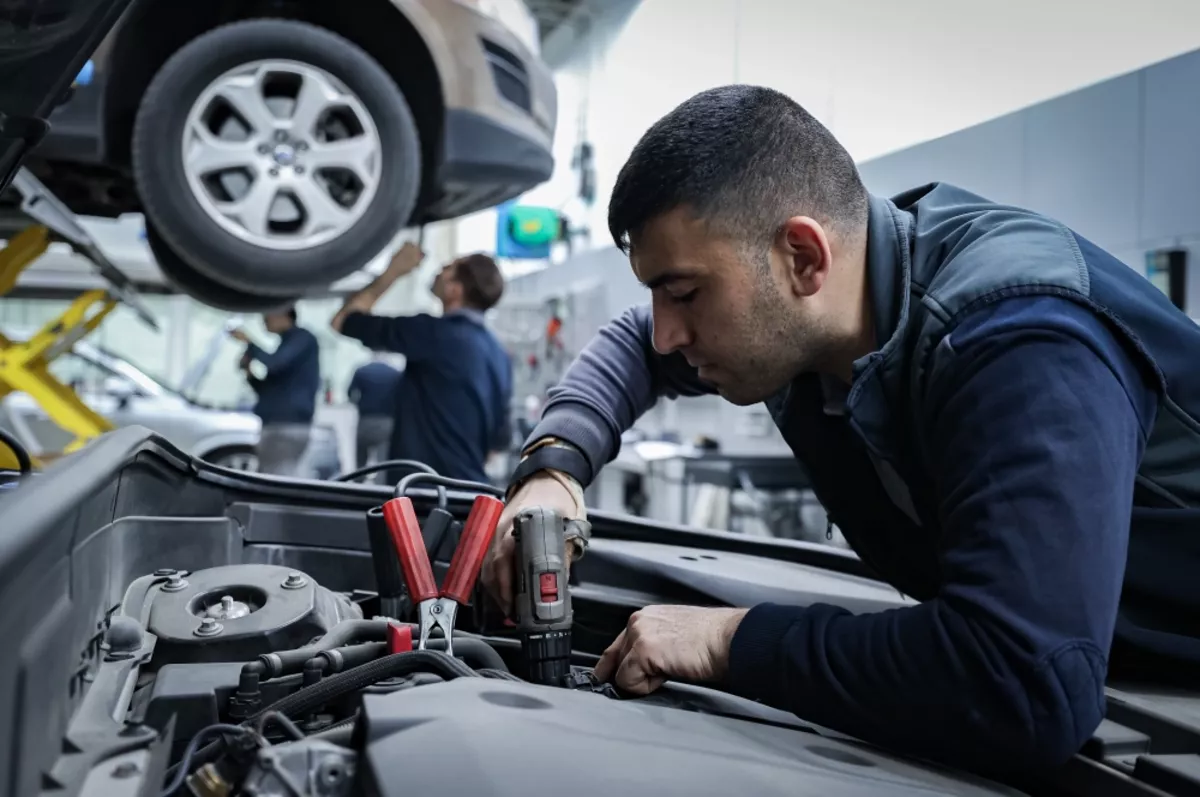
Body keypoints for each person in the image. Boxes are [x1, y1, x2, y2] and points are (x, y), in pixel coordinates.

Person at [480, 85, 1200, 779]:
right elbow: (634, 348)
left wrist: (730, 640)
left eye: (685, 292)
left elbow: (1024, 679)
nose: (668, 332)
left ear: (803, 256)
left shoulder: (1018, 337)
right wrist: (553, 469)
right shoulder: (819, 321)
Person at [331, 243, 513, 483]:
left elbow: (343, 321)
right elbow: (499, 440)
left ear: (454, 290)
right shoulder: (499, 354)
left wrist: (393, 271)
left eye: (446, 269)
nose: (437, 271)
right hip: (470, 495)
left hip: (422, 495)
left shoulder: (432, 334)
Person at [232, 306, 321, 476]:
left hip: (287, 426)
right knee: (271, 477)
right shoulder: (287, 344)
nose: (264, 319)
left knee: (277, 481)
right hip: (277, 425)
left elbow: (275, 363)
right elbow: (268, 389)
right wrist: (249, 372)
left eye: (268, 314)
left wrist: (250, 343)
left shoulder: (302, 338)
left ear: (285, 314)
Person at [348, 354, 403, 477]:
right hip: (387, 421)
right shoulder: (395, 373)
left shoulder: (362, 370)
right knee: (384, 461)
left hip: (365, 419)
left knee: (360, 458)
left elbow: (350, 394)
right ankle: (382, 490)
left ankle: (357, 485)